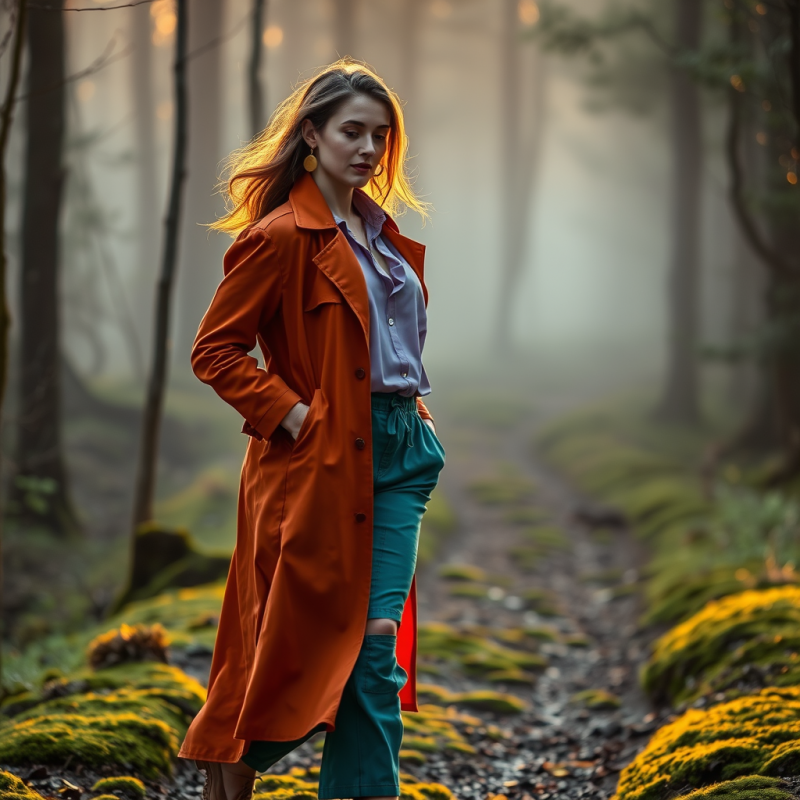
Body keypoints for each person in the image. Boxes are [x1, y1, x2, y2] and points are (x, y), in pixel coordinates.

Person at [176, 59, 446, 800]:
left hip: (399, 459)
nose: (367, 148)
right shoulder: (282, 237)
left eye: (380, 136)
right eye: (351, 131)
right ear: (311, 136)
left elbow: (386, 346)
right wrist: (294, 414)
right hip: (314, 463)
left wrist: (411, 410)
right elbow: (214, 351)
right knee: (280, 650)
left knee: (376, 648)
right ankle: (228, 766)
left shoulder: (382, 235)